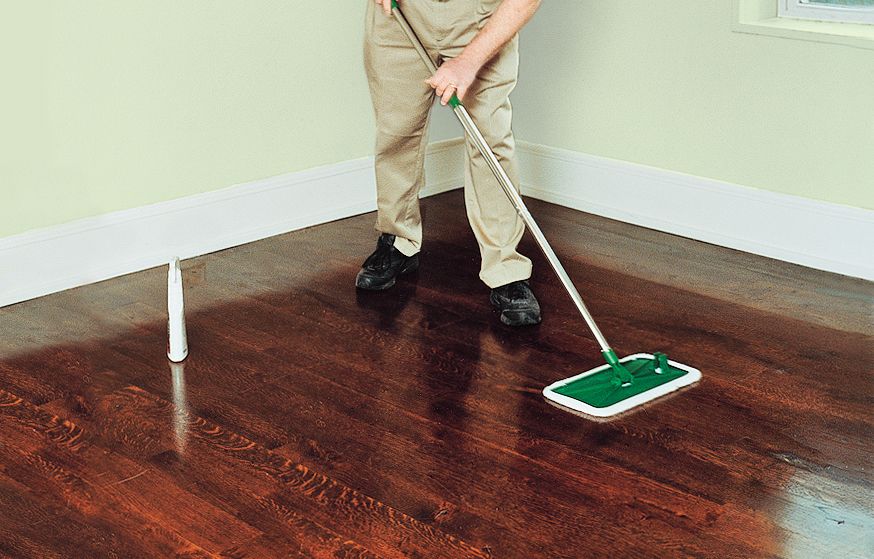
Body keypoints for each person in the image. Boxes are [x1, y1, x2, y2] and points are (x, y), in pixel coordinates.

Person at [358, 0, 543, 326]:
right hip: (400, 13)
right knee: (396, 133)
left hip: (480, 15)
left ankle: (505, 267)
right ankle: (398, 239)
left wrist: (469, 61)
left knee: (490, 142)